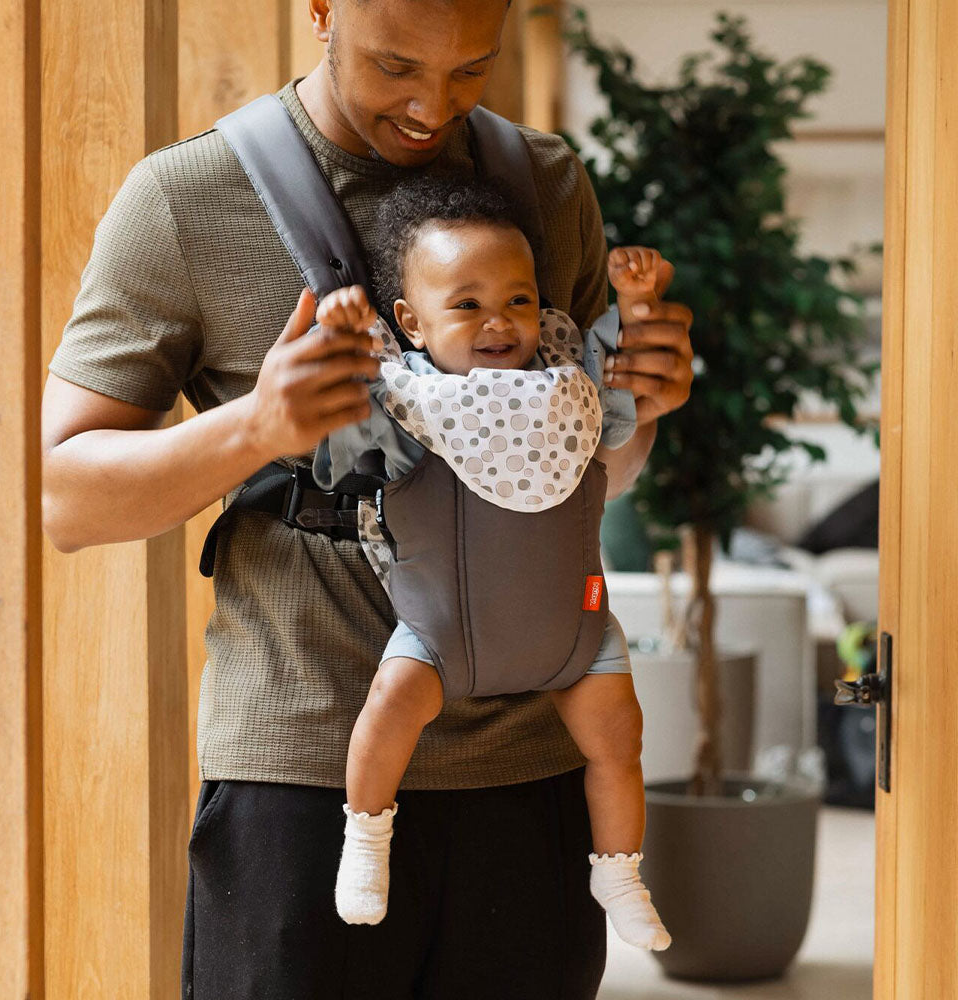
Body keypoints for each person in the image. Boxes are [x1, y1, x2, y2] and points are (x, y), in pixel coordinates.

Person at [40, 1, 694, 995]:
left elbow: (581, 476)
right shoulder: (189, 195)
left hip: (532, 770)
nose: (432, 107)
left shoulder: (546, 183)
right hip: (300, 778)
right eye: (396, 64)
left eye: (471, 69)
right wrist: (256, 427)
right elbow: (66, 500)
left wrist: (642, 403)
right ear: (319, 11)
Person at [316, 174, 671, 954]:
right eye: (467, 304)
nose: (498, 322)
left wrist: (639, 309)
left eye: (516, 300)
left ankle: (618, 870)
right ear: (409, 320)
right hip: (441, 638)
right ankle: (367, 839)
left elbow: (624, 392)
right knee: (387, 708)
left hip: (576, 636)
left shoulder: (566, 391)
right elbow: (344, 447)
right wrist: (339, 345)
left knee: (620, 742)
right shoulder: (407, 401)